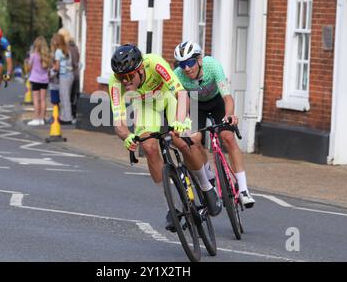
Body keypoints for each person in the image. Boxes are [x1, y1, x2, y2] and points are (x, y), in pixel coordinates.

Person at [109, 44, 221, 232]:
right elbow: (118, 122)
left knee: (182, 139)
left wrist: (180, 121)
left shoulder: (154, 63)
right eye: (122, 77)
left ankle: (205, 185)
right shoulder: (115, 82)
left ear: (141, 69)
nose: (125, 81)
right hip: (145, 107)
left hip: (169, 98)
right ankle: (173, 206)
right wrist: (127, 137)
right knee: (149, 147)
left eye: (129, 76)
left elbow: (181, 93)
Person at [173, 41, 255, 208]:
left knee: (228, 137)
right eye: (182, 64)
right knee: (194, 139)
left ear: (199, 60)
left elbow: (227, 97)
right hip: (196, 104)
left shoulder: (213, 65)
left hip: (217, 101)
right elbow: (182, 102)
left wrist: (229, 114)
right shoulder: (177, 75)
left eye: (190, 62)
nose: (187, 68)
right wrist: (180, 123)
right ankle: (208, 173)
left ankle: (244, 189)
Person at [27, 36, 50, 126]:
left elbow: (29, 68)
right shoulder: (47, 56)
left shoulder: (33, 55)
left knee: (36, 100)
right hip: (45, 80)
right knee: (43, 100)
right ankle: (42, 119)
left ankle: (36, 118)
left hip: (35, 79)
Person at [50, 33, 73, 124]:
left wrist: (52, 67)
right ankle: (66, 116)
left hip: (64, 76)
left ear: (56, 42)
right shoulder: (67, 50)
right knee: (67, 96)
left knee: (64, 97)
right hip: (70, 75)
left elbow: (57, 67)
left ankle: (66, 118)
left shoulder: (58, 52)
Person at [58, 28, 80, 121]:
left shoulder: (66, 48)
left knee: (66, 96)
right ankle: (72, 116)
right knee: (73, 96)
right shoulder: (74, 46)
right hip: (76, 73)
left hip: (69, 73)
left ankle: (67, 117)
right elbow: (78, 59)